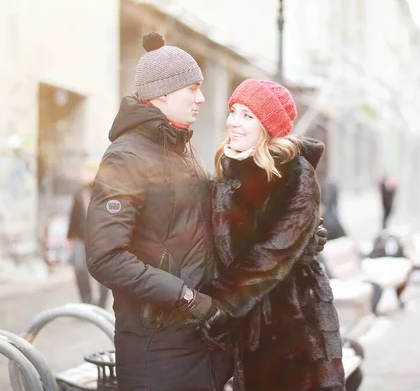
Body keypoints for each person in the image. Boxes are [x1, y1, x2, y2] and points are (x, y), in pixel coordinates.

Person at [85, 34, 326, 391]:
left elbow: (212, 223)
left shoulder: (181, 147)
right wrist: (185, 297)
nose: (201, 98)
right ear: (163, 93)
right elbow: (105, 257)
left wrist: (293, 237)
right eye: (193, 89)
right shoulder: (126, 156)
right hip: (158, 344)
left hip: (199, 337)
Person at [199, 79, 345, 390]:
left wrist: (214, 305)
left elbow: (269, 255)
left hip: (292, 329)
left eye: (248, 116)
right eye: (234, 111)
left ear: (268, 126)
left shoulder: (294, 174)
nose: (234, 123)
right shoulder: (228, 170)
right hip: (249, 327)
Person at [67, 159, 108, 308]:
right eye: (83, 172)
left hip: (100, 238)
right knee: (79, 268)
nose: (85, 175)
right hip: (80, 237)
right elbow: (73, 216)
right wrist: (69, 238)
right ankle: (86, 302)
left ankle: (102, 305)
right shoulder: (78, 192)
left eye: (88, 172)